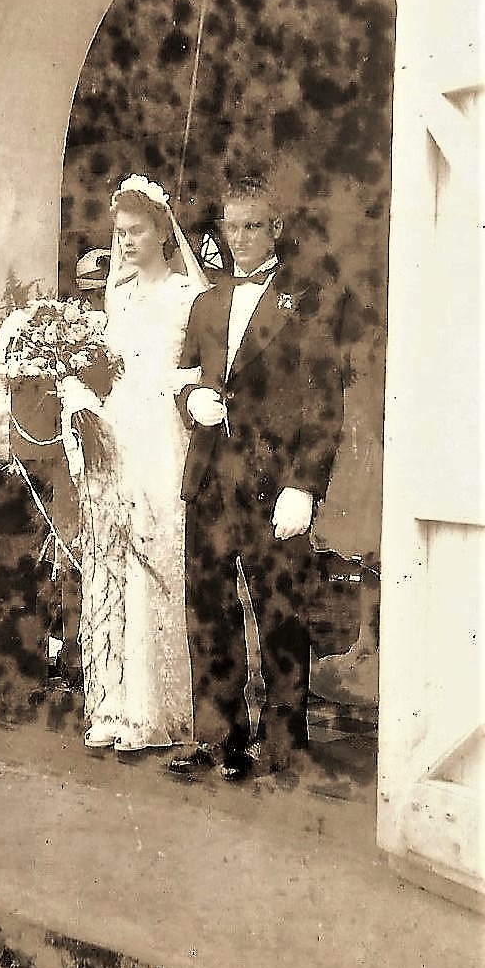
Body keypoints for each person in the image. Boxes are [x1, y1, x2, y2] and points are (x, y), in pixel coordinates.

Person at [168, 175, 345, 783]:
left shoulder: (309, 301)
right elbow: (184, 378)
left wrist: (306, 486)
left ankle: (284, 747)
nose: (238, 238)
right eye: (230, 225)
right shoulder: (206, 303)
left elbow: (324, 407)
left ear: (276, 228)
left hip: (274, 488)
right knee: (208, 612)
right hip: (212, 482)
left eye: (252, 226)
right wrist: (191, 403)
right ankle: (218, 739)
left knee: (280, 614)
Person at [71, 174, 208, 753]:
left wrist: (179, 390)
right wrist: (85, 400)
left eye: (137, 231)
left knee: (153, 552)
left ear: (161, 231)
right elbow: (110, 364)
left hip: (162, 430)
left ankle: (155, 711)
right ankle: (113, 704)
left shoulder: (184, 293)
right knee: (111, 557)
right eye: (120, 232)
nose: (126, 242)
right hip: (118, 426)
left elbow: (198, 366)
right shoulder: (117, 295)